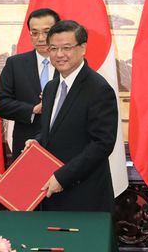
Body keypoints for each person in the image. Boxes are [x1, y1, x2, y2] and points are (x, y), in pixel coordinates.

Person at [27, 20, 117, 213]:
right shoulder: (51, 87)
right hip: (51, 192)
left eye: (66, 48)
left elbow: (102, 144)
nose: (59, 55)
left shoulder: (98, 89)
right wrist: (37, 142)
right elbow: (54, 130)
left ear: (83, 48)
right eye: (53, 48)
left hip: (84, 194)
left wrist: (63, 177)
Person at [0, 8, 60, 160]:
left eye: (46, 32)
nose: (41, 38)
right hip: (26, 143)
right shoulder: (15, 64)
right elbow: (1, 103)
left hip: (63, 143)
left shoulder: (69, 63)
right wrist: (34, 109)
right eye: (35, 33)